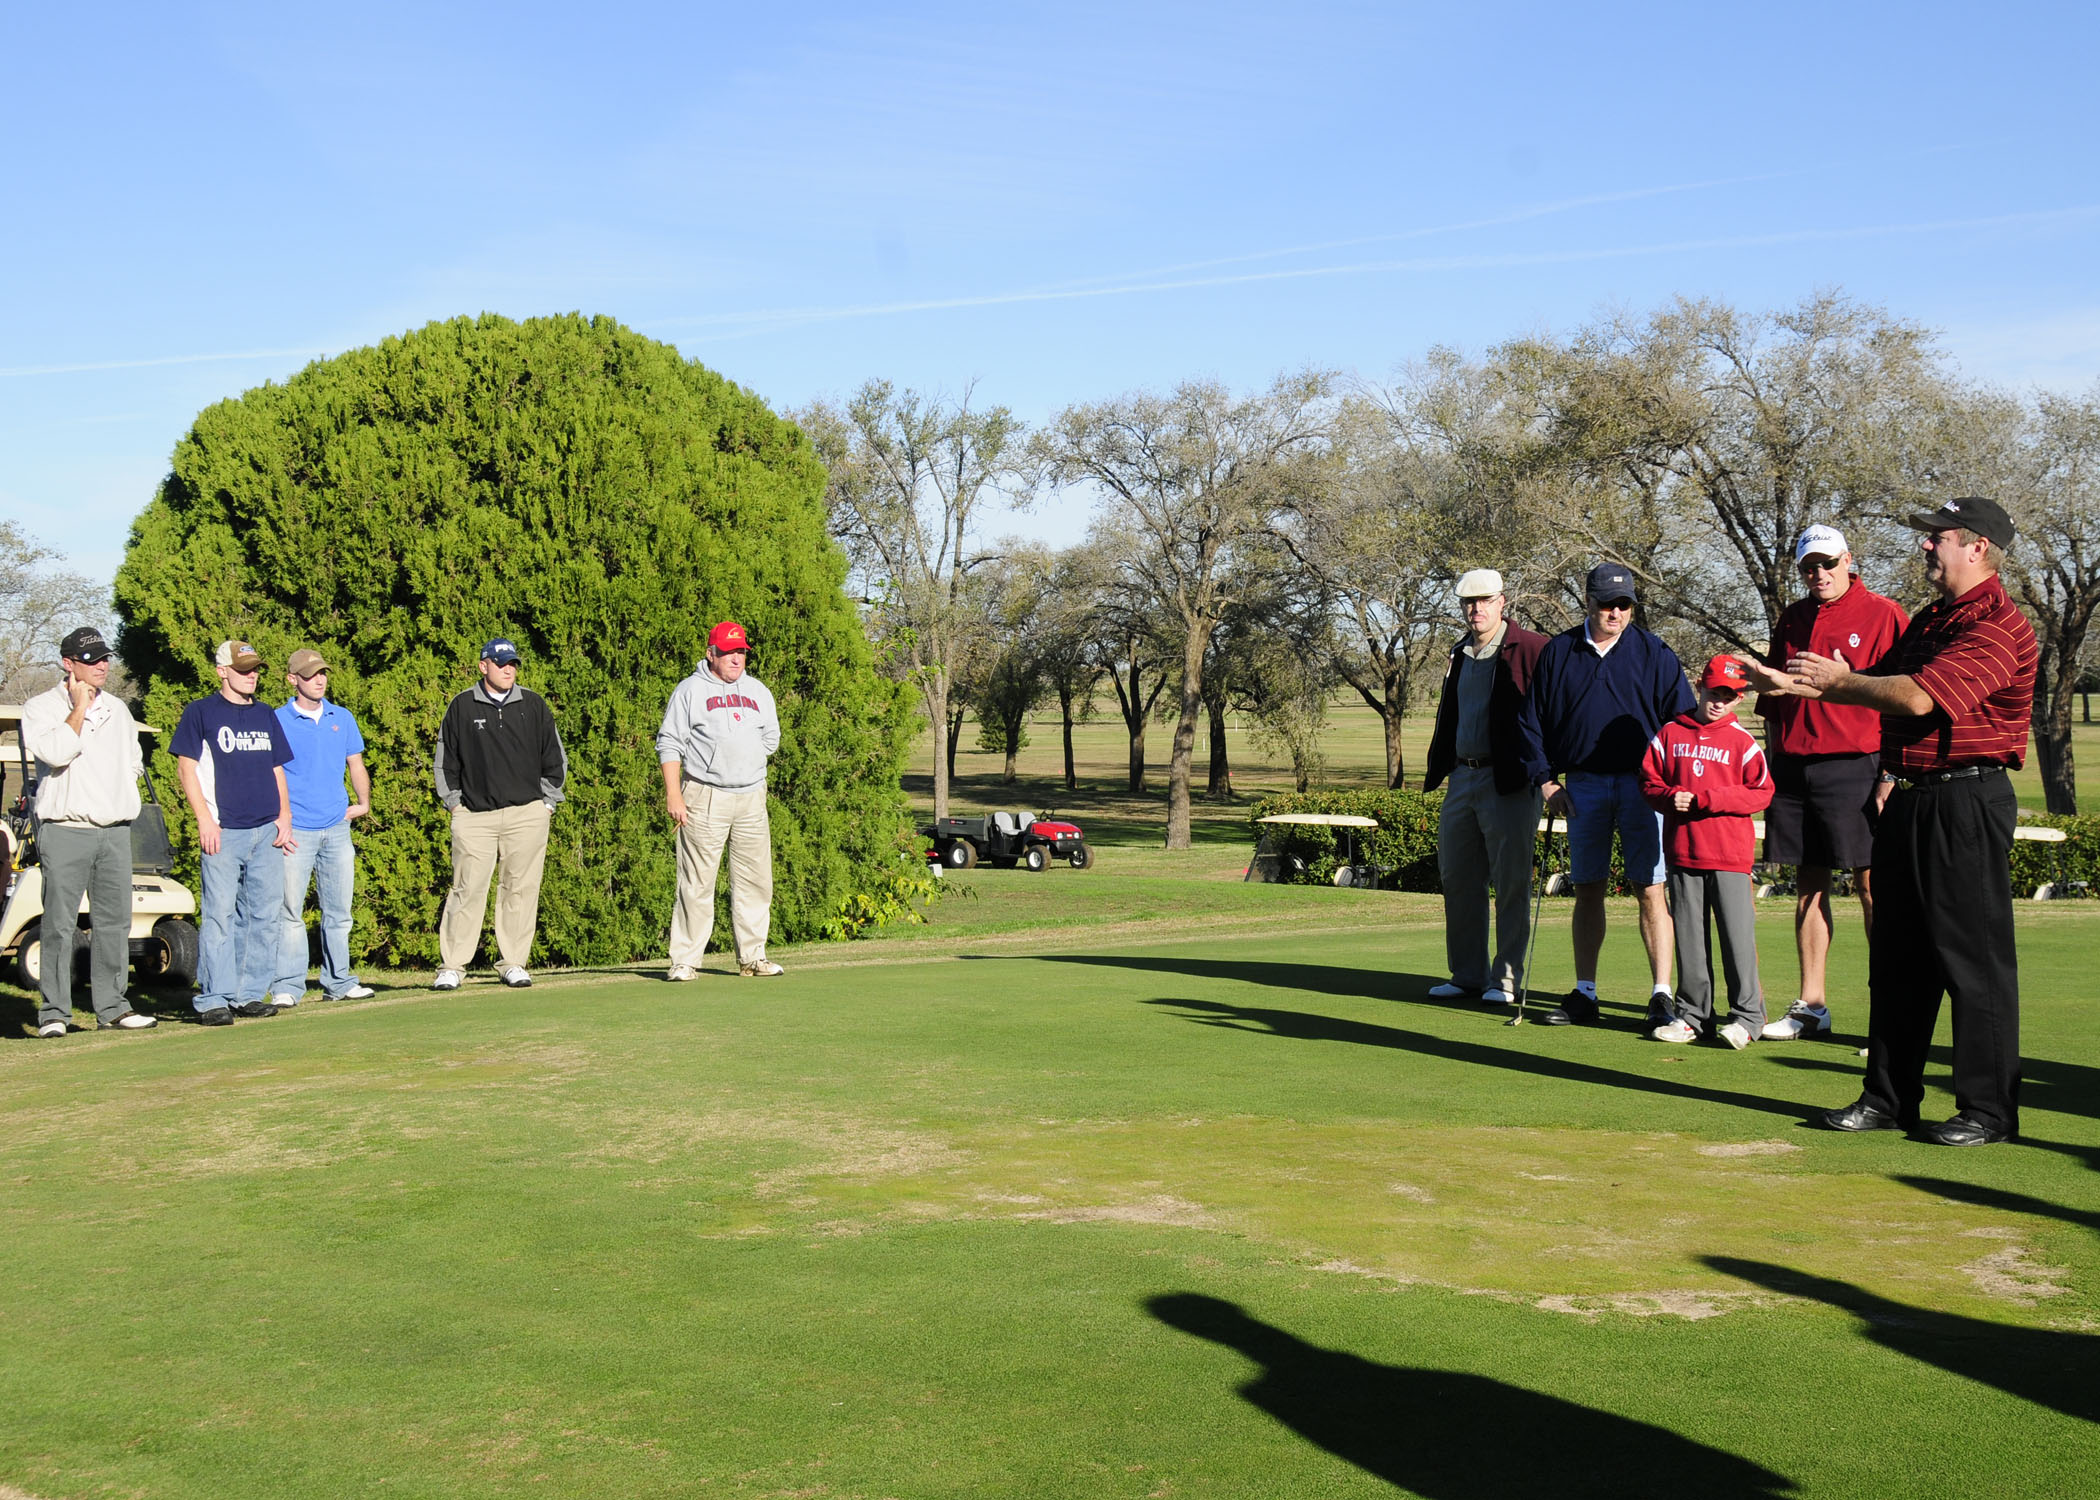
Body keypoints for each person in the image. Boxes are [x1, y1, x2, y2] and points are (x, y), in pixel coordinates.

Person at [1744, 496, 2037, 1146]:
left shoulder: (1997, 625)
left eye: (1939, 537)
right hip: (1909, 796)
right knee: (1899, 959)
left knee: (1972, 960)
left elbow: (1915, 695)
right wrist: (1789, 684)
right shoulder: (1935, 618)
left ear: (1978, 547)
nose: (1927, 547)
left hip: (1966, 800)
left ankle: (1988, 1111)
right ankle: (1888, 1097)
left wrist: (1835, 683)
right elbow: (1876, 680)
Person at [1517, 562, 1696, 1027]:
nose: (1614, 612)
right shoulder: (1559, 652)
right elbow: (1531, 723)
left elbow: (1683, 725)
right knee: (1588, 887)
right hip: (1583, 786)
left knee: (1650, 888)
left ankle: (1661, 994)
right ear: (1588, 602)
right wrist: (1546, 781)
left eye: (1624, 605)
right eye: (1605, 604)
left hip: (1645, 787)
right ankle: (1585, 992)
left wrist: (1672, 783)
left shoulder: (1655, 653)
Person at [1755, 524, 1909, 1041]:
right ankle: (1811, 1005)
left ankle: (1891, 1015)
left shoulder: (1885, 615)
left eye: (1826, 563)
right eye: (1808, 567)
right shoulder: (1793, 618)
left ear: (1848, 560)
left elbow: (1909, 700)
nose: (1818, 574)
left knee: (1872, 887)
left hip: (1857, 764)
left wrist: (1891, 772)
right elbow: (1774, 704)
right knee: (1808, 887)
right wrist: (1774, 767)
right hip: (1796, 769)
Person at [20, 627, 158, 1035]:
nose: (102, 666)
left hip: (114, 830)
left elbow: (133, 761)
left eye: (104, 658)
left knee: (114, 923)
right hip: (66, 829)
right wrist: (77, 709)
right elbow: (56, 751)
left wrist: (120, 790)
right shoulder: (41, 707)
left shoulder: (118, 708)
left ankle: (113, 1007)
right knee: (59, 924)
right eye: (92, 660)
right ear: (68, 663)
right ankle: (54, 1014)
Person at [1422, 569, 1546, 1005]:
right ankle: (1467, 974)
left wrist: (1545, 772)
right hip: (1462, 776)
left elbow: (1552, 711)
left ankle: (1506, 979)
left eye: (1484, 601)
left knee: (1510, 881)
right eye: (1468, 603)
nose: (1476, 609)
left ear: (1502, 601)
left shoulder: (1531, 649)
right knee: (1458, 876)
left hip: (1509, 779)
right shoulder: (1460, 652)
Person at [1640, 656, 1774, 1048]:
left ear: (1739, 698)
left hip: (1730, 855)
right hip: (1683, 852)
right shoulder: (1669, 734)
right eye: (1714, 692)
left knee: (1737, 939)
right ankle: (1693, 1016)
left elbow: (1761, 791)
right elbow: (1648, 782)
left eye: (1729, 696)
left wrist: (1709, 798)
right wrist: (1669, 797)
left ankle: (1748, 1017)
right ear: (1699, 685)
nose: (1719, 702)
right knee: (1690, 939)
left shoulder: (1743, 742)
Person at [171, 640, 296, 1025]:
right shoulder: (201, 713)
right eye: (243, 669)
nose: (252, 675)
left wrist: (285, 815)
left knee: (262, 915)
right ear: (222, 671)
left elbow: (277, 768)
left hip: (266, 830)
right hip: (224, 831)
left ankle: (247, 994)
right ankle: (213, 999)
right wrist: (204, 820)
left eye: (255, 668)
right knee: (220, 916)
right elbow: (185, 769)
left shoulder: (265, 715)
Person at [432, 638, 566, 990]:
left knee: (520, 889)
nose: (509, 669)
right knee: (466, 889)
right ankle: (452, 966)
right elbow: (445, 761)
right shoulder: (461, 706)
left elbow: (555, 757)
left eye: (513, 664)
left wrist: (548, 802)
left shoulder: (533, 704)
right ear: (483, 666)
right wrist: (455, 803)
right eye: (501, 663)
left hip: (527, 813)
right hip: (474, 815)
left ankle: (513, 962)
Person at [656, 621, 784, 979]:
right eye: (729, 652)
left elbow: (770, 737)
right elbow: (669, 743)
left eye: (741, 651)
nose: (736, 658)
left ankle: (753, 957)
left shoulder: (758, 691)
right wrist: (674, 792)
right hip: (703, 795)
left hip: (751, 797)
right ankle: (684, 961)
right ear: (711, 654)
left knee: (756, 881)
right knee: (696, 883)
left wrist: (746, 760)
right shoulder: (690, 691)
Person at [271, 648, 375, 1004]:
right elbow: (271, 774)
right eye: (310, 674)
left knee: (339, 913)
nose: (319, 679)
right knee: (289, 913)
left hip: (336, 829)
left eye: (323, 673)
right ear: (292, 679)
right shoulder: (277, 720)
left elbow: (355, 763)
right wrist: (280, 819)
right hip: (295, 829)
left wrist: (363, 804)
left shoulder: (341, 717)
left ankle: (340, 982)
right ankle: (287, 986)